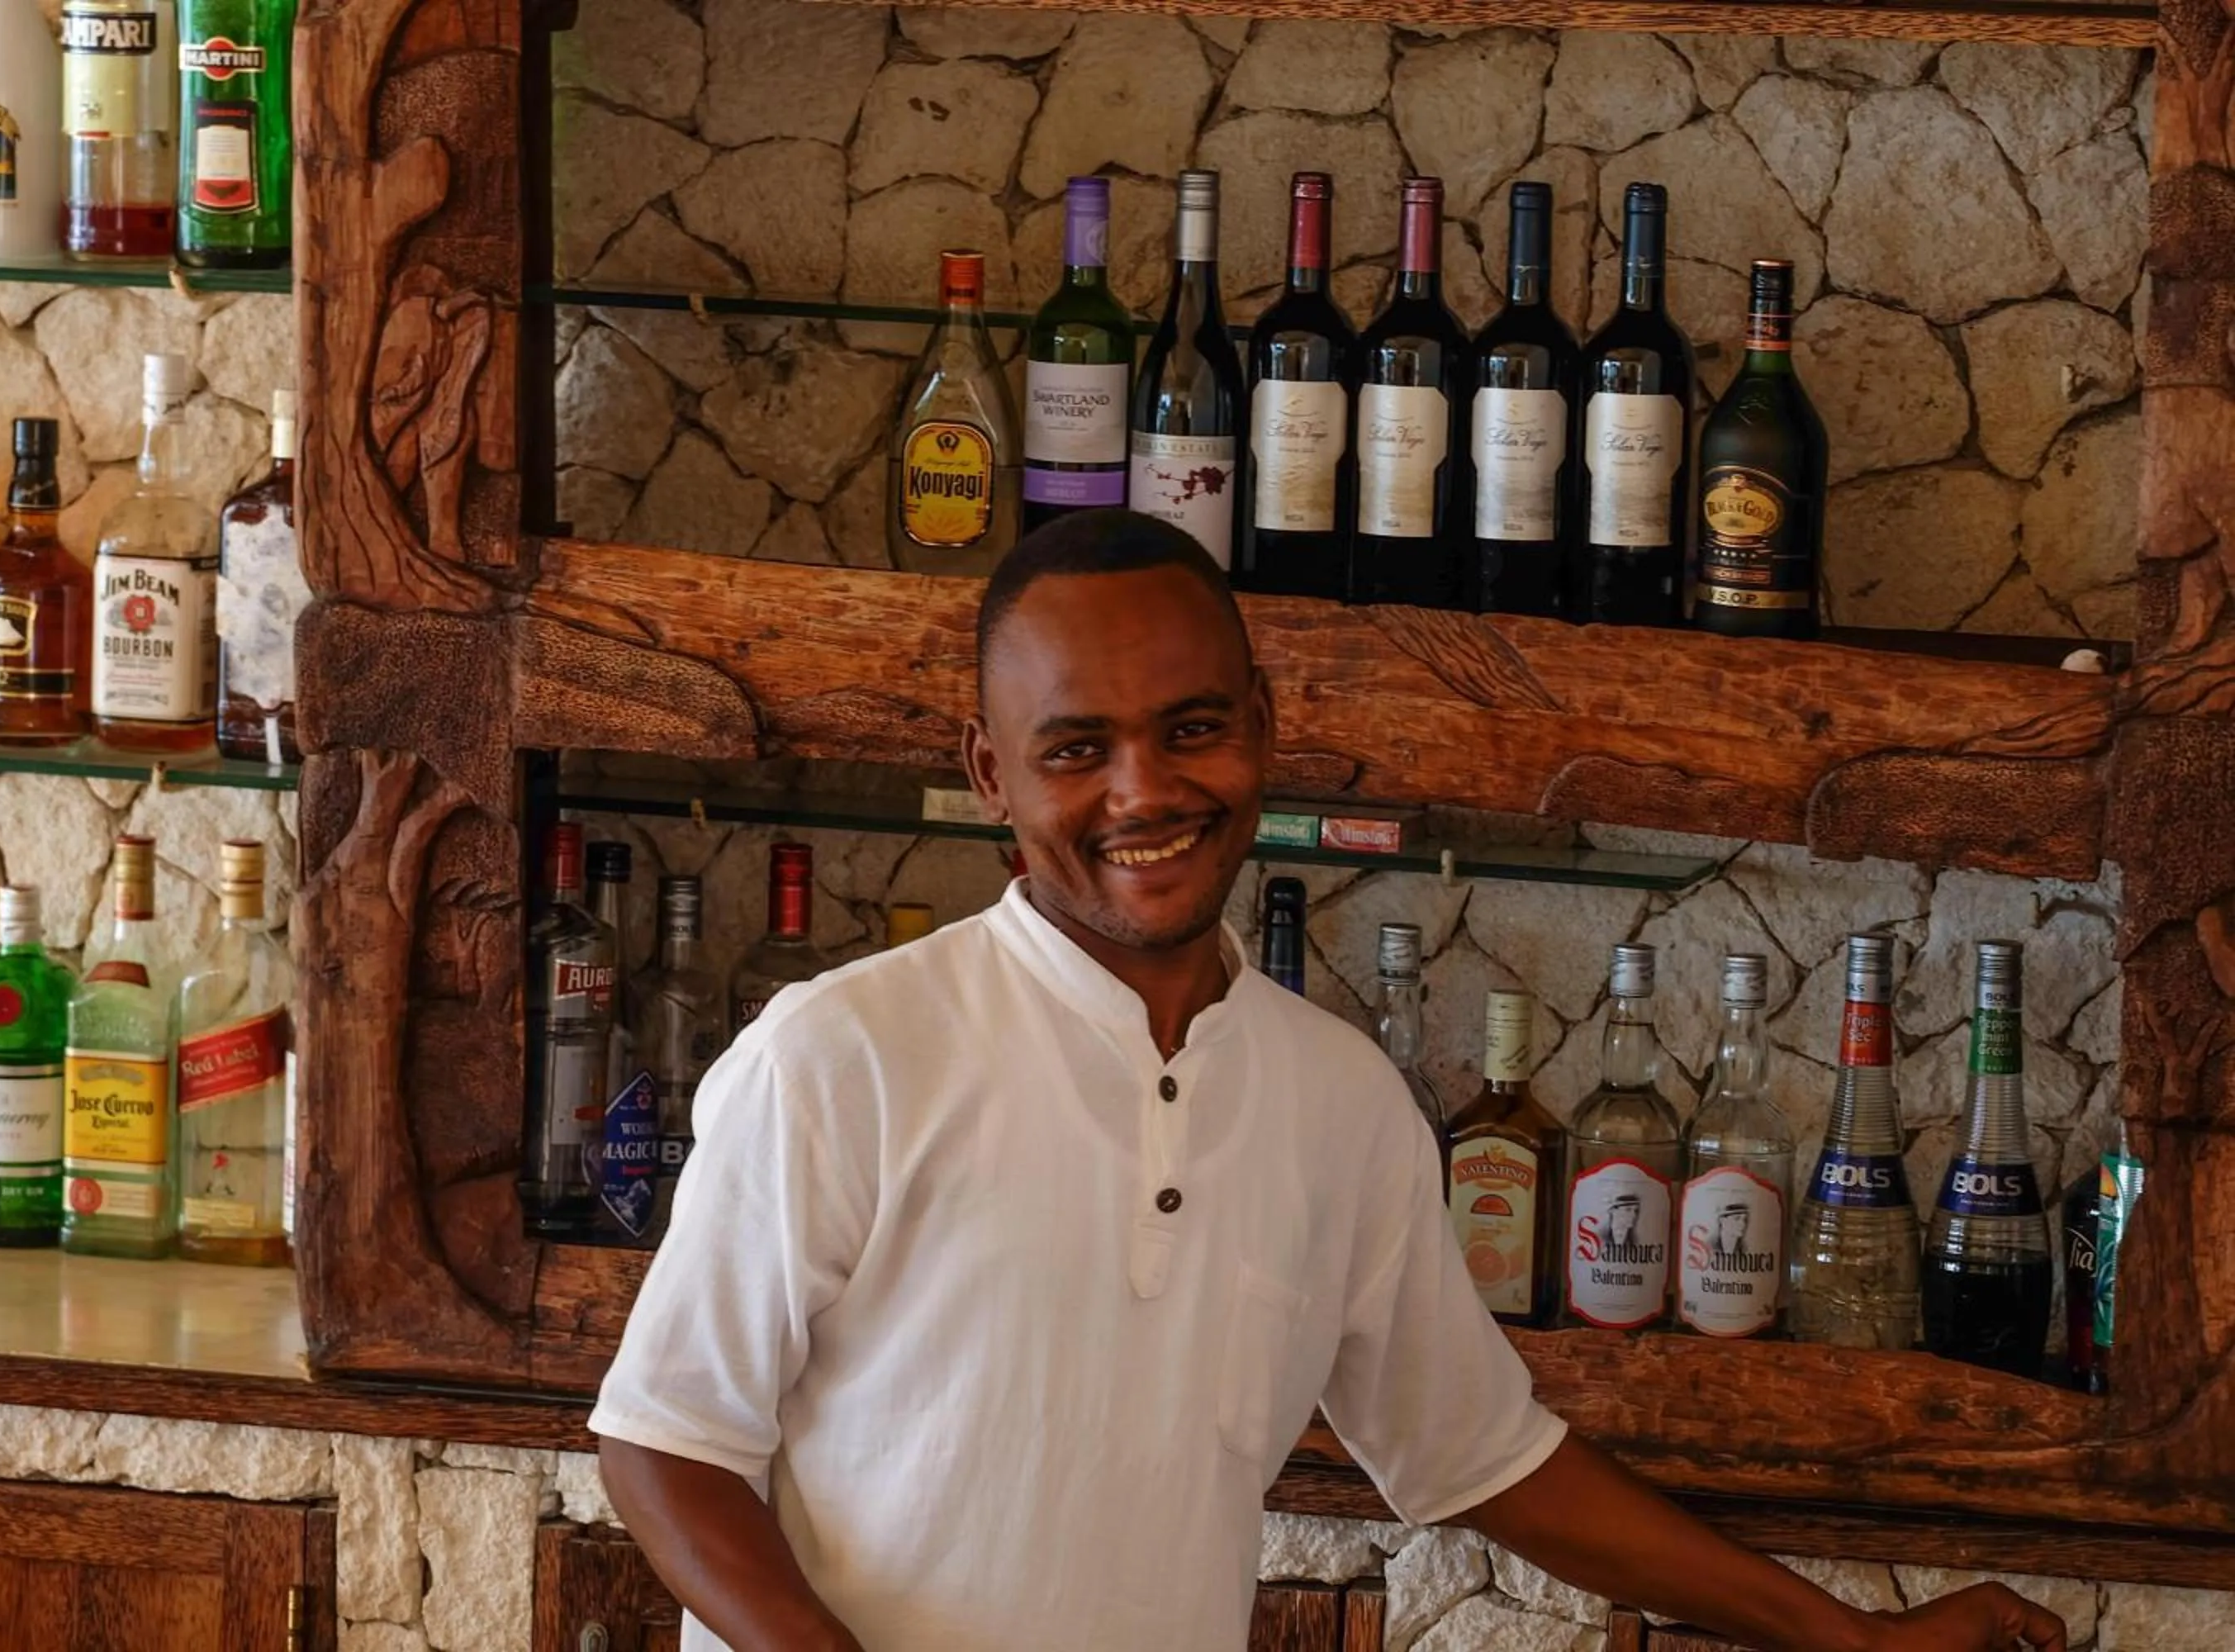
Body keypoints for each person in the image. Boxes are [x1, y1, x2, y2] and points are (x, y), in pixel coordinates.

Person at [589, 510, 2065, 1652]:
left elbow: (1485, 1454)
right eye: (1075, 750)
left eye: (1191, 729)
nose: (1144, 793)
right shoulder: (844, 1054)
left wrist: (1851, 1637)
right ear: (990, 774)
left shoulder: (1340, 1104)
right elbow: (665, 1446)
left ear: (1263, 726)